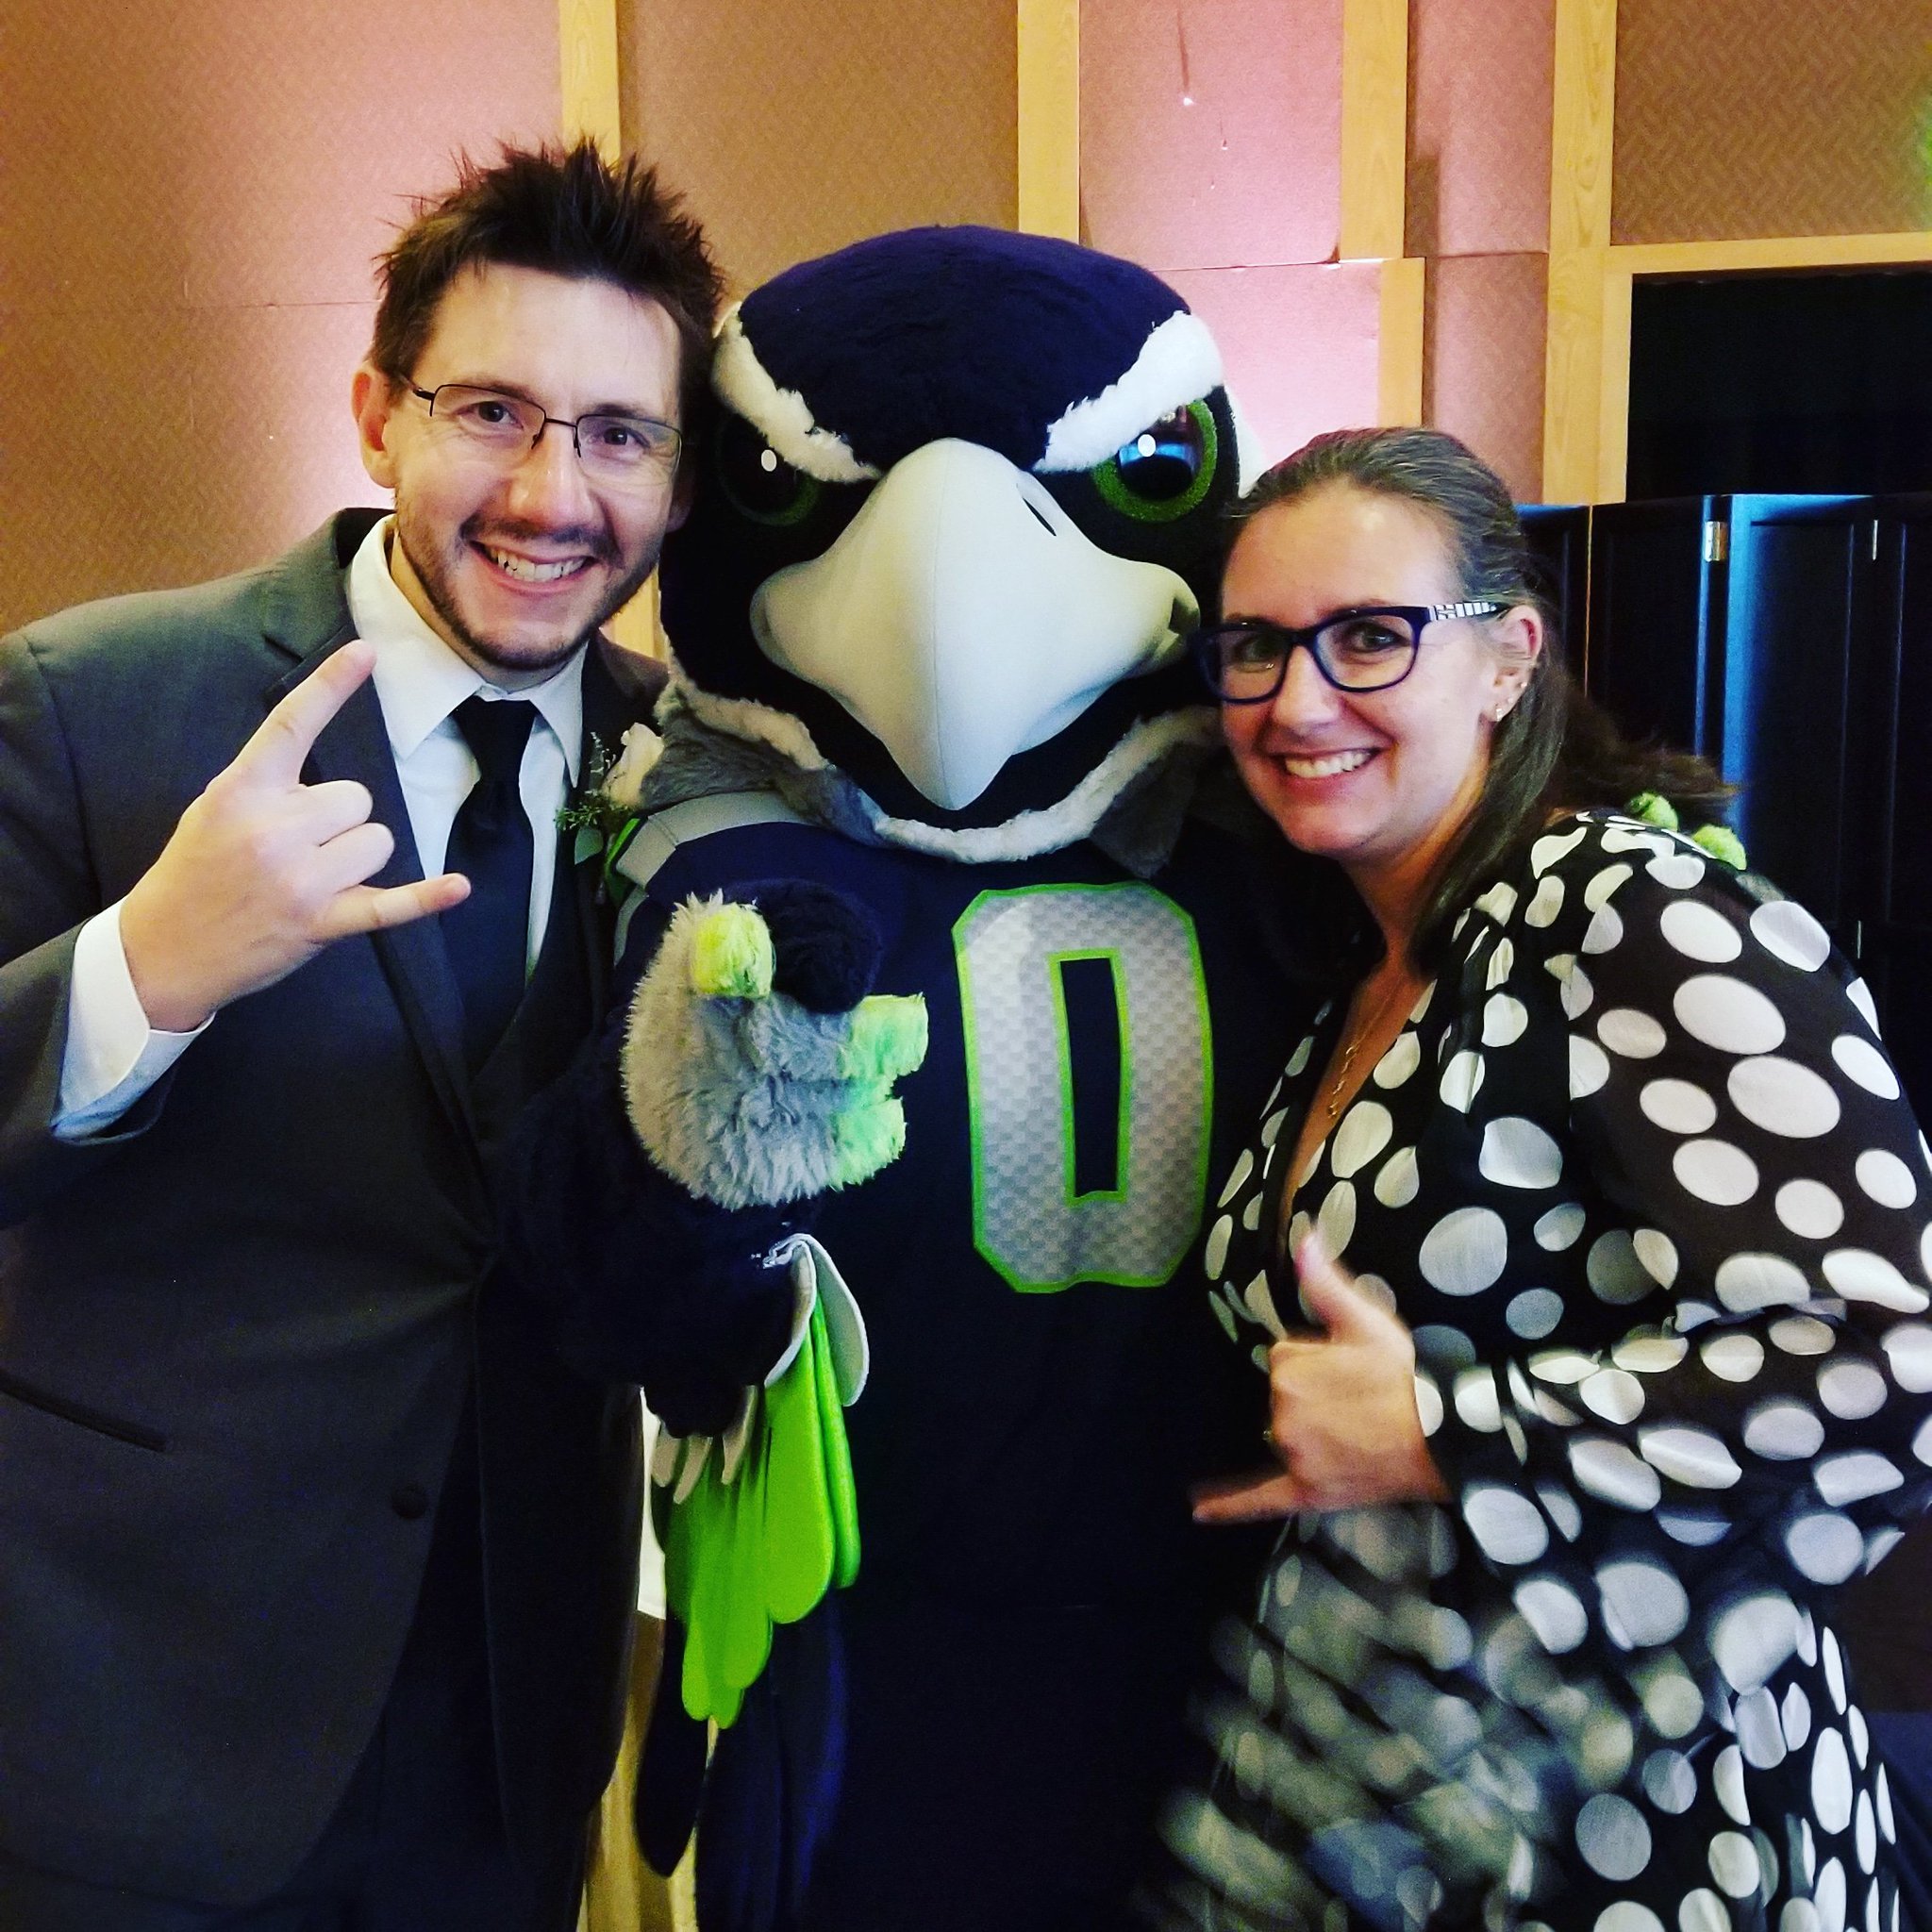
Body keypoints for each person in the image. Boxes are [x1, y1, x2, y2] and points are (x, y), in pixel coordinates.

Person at [0, 141, 722, 1931]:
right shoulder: (88, 703)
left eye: (620, 435)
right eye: (494, 411)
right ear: (378, 413)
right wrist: (145, 968)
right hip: (135, 1710)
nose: (553, 491)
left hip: (510, 1734)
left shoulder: (691, 774)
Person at [1142, 426, 1932, 1931]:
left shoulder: (1628, 914)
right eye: (1256, 648)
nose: (1298, 702)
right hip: (1411, 1787)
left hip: (1644, 1808)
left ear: (1508, 658)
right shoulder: (1373, 959)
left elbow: (1892, 1357)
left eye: (1370, 638)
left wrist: (1443, 1427)